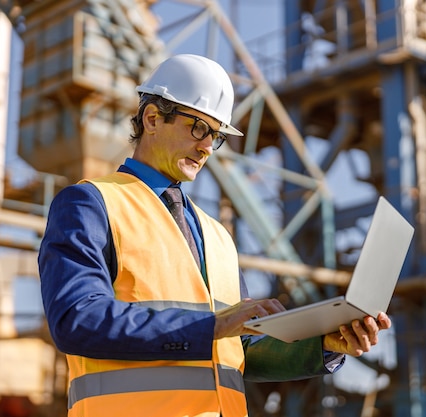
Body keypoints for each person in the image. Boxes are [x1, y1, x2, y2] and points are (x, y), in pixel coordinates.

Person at [38, 53, 392, 417]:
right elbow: (77, 319)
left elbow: (240, 349)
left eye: (216, 135)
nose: (207, 147)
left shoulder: (216, 235)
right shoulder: (91, 203)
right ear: (153, 118)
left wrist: (325, 345)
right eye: (198, 128)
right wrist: (213, 325)